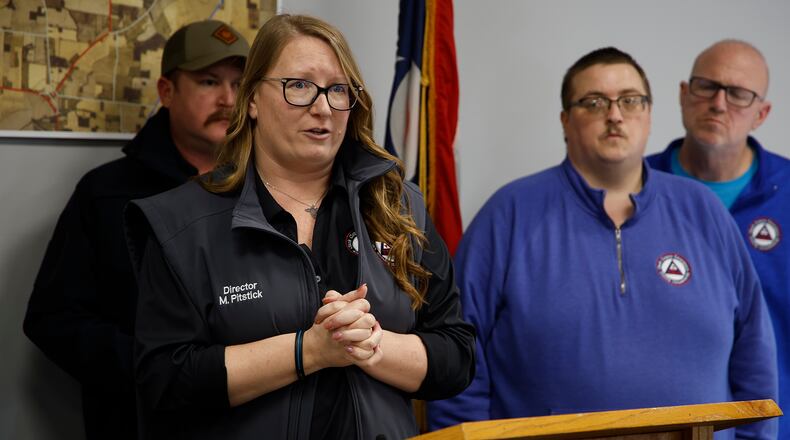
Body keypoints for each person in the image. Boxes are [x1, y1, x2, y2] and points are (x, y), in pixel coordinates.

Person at [124, 14, 475, 439]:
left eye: (338, 89)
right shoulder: (182, 222)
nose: (323, 107)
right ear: (251, 99)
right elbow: (164, 382)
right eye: (300, 86)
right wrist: (308, 350)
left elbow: (456, 357)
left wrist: (370, 344)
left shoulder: (399, 207)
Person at [427, 47, 777, 440]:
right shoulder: (508, 215)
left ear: (648, 114)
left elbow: (755, 362)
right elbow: (456, 360)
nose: (614, 115)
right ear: (565, 120)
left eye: (630, 100)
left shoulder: (704, 211)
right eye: (594, 103)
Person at [23, 20, 248, 439]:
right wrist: (151, 367)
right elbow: (52, 320)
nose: (228, 99)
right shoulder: (106, 192)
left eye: (240, 84)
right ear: (167, 92)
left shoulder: (269, 189)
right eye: (209, 81)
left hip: (253, 419)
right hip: (142, 421)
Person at [646, 40, 788, 439]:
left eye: (739, 94)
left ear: (762, 114)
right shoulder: (630, 190)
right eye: (707, 86)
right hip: (661, 427)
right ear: (683, 94)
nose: (719, 103)